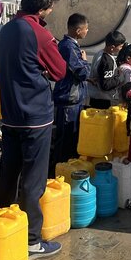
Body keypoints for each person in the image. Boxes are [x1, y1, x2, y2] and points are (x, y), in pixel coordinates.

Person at [0, 0, 67, 257]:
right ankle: (32, 240)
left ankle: (1, 224)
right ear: (44, 8)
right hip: (35, 116)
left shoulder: (7, 29)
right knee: (33, 179)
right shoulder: (38, 33)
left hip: (10, 113)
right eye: (51, 8)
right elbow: (60, 71)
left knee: (8, 172)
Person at [51, 13, 92, 172]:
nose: (87, 32)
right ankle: (58, 173)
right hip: (69, 99)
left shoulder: (70, 46)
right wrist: (85, 61)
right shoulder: (68, 47)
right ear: (77, 30)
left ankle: (65, 170)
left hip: (74, 99)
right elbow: (82, 72)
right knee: (65, 141)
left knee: (71, 138)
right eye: (86, 29)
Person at [87, 31, 126, 109]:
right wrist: (120, 77)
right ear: (112, 47)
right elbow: (106, 85)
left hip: (94, 96)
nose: (121, 48)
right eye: (120, 46)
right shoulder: (107, 61)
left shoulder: (99, 53)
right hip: (103, 100)